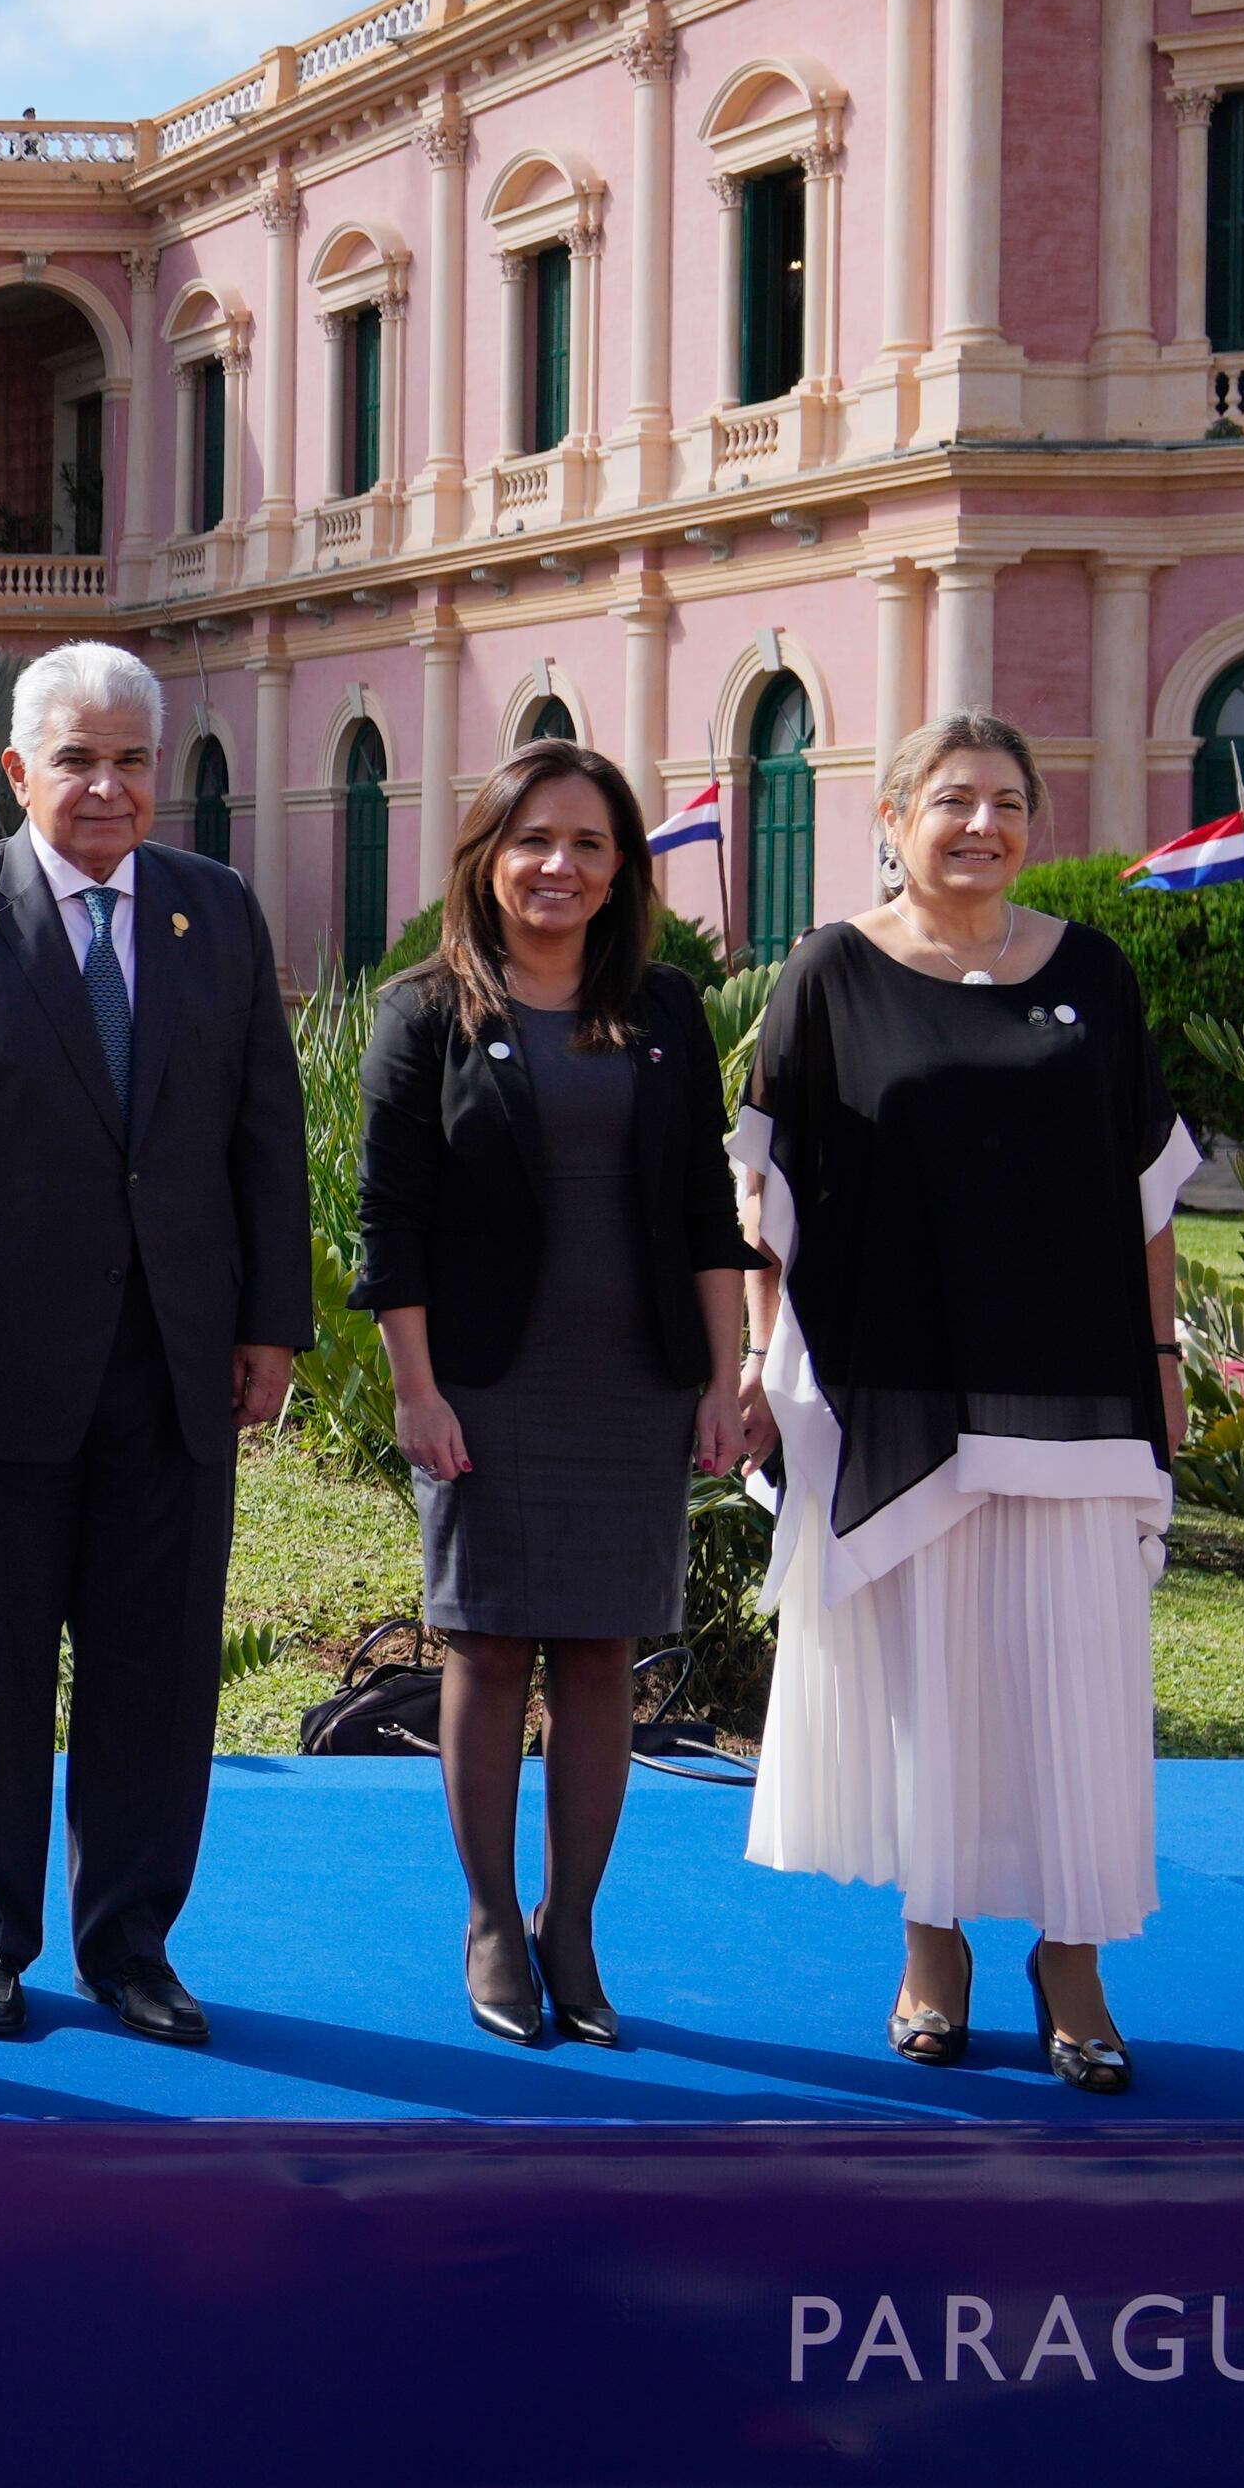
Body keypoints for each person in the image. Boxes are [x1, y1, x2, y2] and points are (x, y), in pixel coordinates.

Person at [0, 642, 306, 2044]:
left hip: (171, 1366)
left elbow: (263, 1139)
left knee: (154, 1674)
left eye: (130, 761)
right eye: (77, 760)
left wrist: (272, 1327)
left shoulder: (215, 915)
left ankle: (132, 1943)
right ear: (17, 772)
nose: (106, 787)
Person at [735, 711, 1189, 2094]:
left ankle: (1076, 1963)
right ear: (891, 818)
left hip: (1077, 1393)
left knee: (1076, 1688)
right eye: (950, 799)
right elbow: (769, 1187)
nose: (980, 824)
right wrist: (762, 1362)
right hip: (904, 1384)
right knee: (936, 1688)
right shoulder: (828, 975)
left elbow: (1146, 1192)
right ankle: (934, 1948)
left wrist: (1166, 1362)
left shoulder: (1094, 973)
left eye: (1006, 799)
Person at [357, 740, 763, 2047]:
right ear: (487, 856)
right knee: (484, 1642)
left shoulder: (668, 1011)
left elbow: (708, 1206)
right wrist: (417, 1392)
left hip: (631, 1380)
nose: (560, 867)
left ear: (621, 870)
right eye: (535, 839)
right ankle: (488, 1922)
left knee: (599, 1653)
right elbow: (391, 1224)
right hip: (485, 1381)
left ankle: (568, 1929)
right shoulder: (425, 1012)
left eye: (589, 844)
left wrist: (723, 1373)